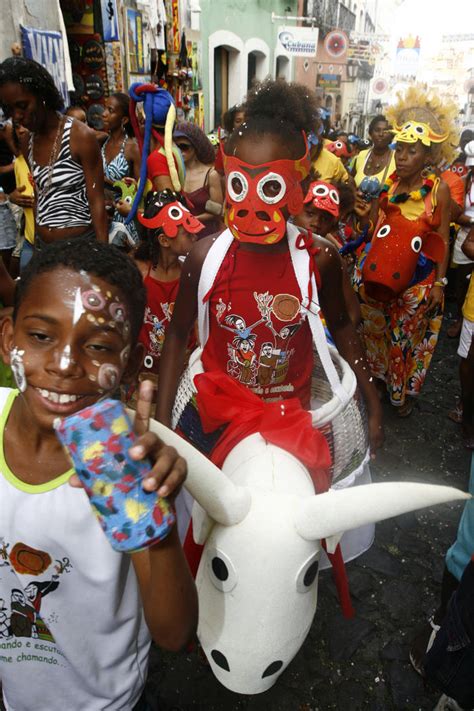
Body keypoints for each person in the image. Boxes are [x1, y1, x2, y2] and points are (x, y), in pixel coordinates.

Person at [0, 239, 197, 709]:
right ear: (8, 337)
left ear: (129, 363)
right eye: (41, 337)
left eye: (98, 347)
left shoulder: (125, 467)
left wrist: (156, 523)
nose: (64, 365)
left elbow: (174, 633)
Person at [156, 78, 383, 455]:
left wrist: (371, 403)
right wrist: (163, 423)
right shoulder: (205, 257)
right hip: (215, 418)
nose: (252, 205)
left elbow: (342, 326)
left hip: (289, 424)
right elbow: (178, 334)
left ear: (299, 184)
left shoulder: (319, 258)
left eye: (272, 187)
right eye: (240, 184)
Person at [353, 87, 456, 417]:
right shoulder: (390, 184)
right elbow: (373, 228)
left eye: (412, 152)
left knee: (404, 341)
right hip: (380, 276)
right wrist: (361, 221)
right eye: (401, 150)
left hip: (416, 285)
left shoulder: (437, 189)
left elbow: (443, 237)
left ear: (427, 157)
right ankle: (381, 381)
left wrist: (439, 285)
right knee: (376, 334)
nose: (402, 157)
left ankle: (402, 394)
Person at [0, 57, 108, 245]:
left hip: (81, 247)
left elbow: (97, 201)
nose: (17, 116)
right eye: (10, 109)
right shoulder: (27, 141)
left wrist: (102, 257)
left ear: (42, 96)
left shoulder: (80, 136)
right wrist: (35, 245)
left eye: (23, 106)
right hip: (44, 248)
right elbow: (39, 195)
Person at [133, 190, 204, 387]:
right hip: (143, 373)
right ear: (164, 241)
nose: (195, 236)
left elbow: (197, 327)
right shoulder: (138, 272)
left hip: (181, 373)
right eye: (186, 232)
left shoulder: (192, 273)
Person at [292, 180, 361, 330]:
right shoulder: (277, 244)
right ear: (294, 209)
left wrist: (328, 337)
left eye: (325, 219)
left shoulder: (330, 258)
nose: (316, 222)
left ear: (332, 226)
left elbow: (353, 314)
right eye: (310, 214)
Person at [101, 92, 141, 244]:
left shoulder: (132, 147)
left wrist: (105, 181)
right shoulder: (103, 143)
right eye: (105, 108)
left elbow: (139, 189)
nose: (103, 114)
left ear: (124, 119)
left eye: (110, 111)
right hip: (104, 216)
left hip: (124, 218)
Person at [174, 121, 224, 238]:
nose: (180, 151)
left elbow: (217, 212)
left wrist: (191, 220)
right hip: (182, 238)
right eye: (176, 147)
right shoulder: (174, 173)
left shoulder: (211, 175)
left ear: (195, 147)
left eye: (184, 147)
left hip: (207, 236)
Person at [448, 140, 474, 340]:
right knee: (462, 284)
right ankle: (459, 318)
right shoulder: (464, 181)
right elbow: (454, 213)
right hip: (465, 236)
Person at [352, 115, 395, 189]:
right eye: (377, 130)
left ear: (391, 135)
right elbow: (351, 183)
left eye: (385, 131)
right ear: (370, 133)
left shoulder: (397, 158)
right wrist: (354, 194)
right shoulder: (361, 155)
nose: (381, 134)